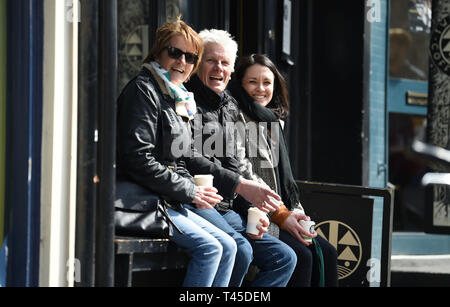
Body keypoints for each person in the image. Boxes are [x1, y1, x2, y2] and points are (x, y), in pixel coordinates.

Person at [115, 18, 237, 287]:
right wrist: (191, 191)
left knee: (229, 247)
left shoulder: (177, 97)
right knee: (211, 249)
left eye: (191, 57)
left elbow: (181, 158)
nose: (182, 61)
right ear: (158, 52)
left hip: (168, 198)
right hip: (145, 200)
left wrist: (198, 190)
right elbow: (137, 158)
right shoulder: (143, 90)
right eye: (175, 52)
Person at [184, 30, 297, 287]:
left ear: (231, 70)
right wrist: (242, 191)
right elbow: (190, 158)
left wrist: (253, 212)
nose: (218, 68)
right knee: (242, 251)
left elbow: (236, 166)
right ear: (198, 62)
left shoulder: (229, 106)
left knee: (285, 257)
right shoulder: (186, 100)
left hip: (228, 209)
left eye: (225, 63)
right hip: (194, 202)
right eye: (211, 61)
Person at [228, 54, 339, 287]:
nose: (261, 88)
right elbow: (245, 171)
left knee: (327, 253)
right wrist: (281, 214)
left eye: (267, 82)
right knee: (302, 256)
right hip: (254, 212)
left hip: (281, 210)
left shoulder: (272, 122)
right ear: (240, 84)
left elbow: (286, 183)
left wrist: (297, 214)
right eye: (252, 82)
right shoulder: (235, 116)